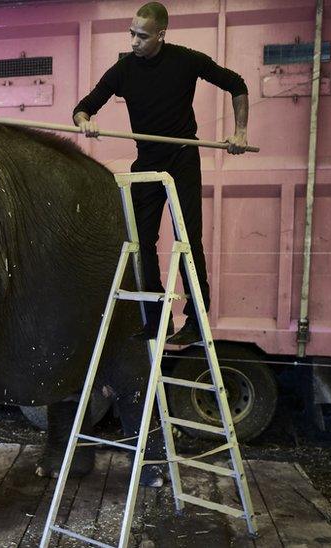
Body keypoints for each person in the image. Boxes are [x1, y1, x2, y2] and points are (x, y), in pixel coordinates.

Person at [73, 1, 250, 346]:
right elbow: (83, 107)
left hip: (182, 158)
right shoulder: (124, 70)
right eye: (131, 34)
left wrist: (240, 132)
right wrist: (85, 123)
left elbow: (236, 84)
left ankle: (197, 321)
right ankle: (158, 319)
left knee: (188, 241)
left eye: (142, 36)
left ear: (160, 35)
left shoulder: (186, 60)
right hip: (148, 163)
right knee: (142, 243)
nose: (134, 41)